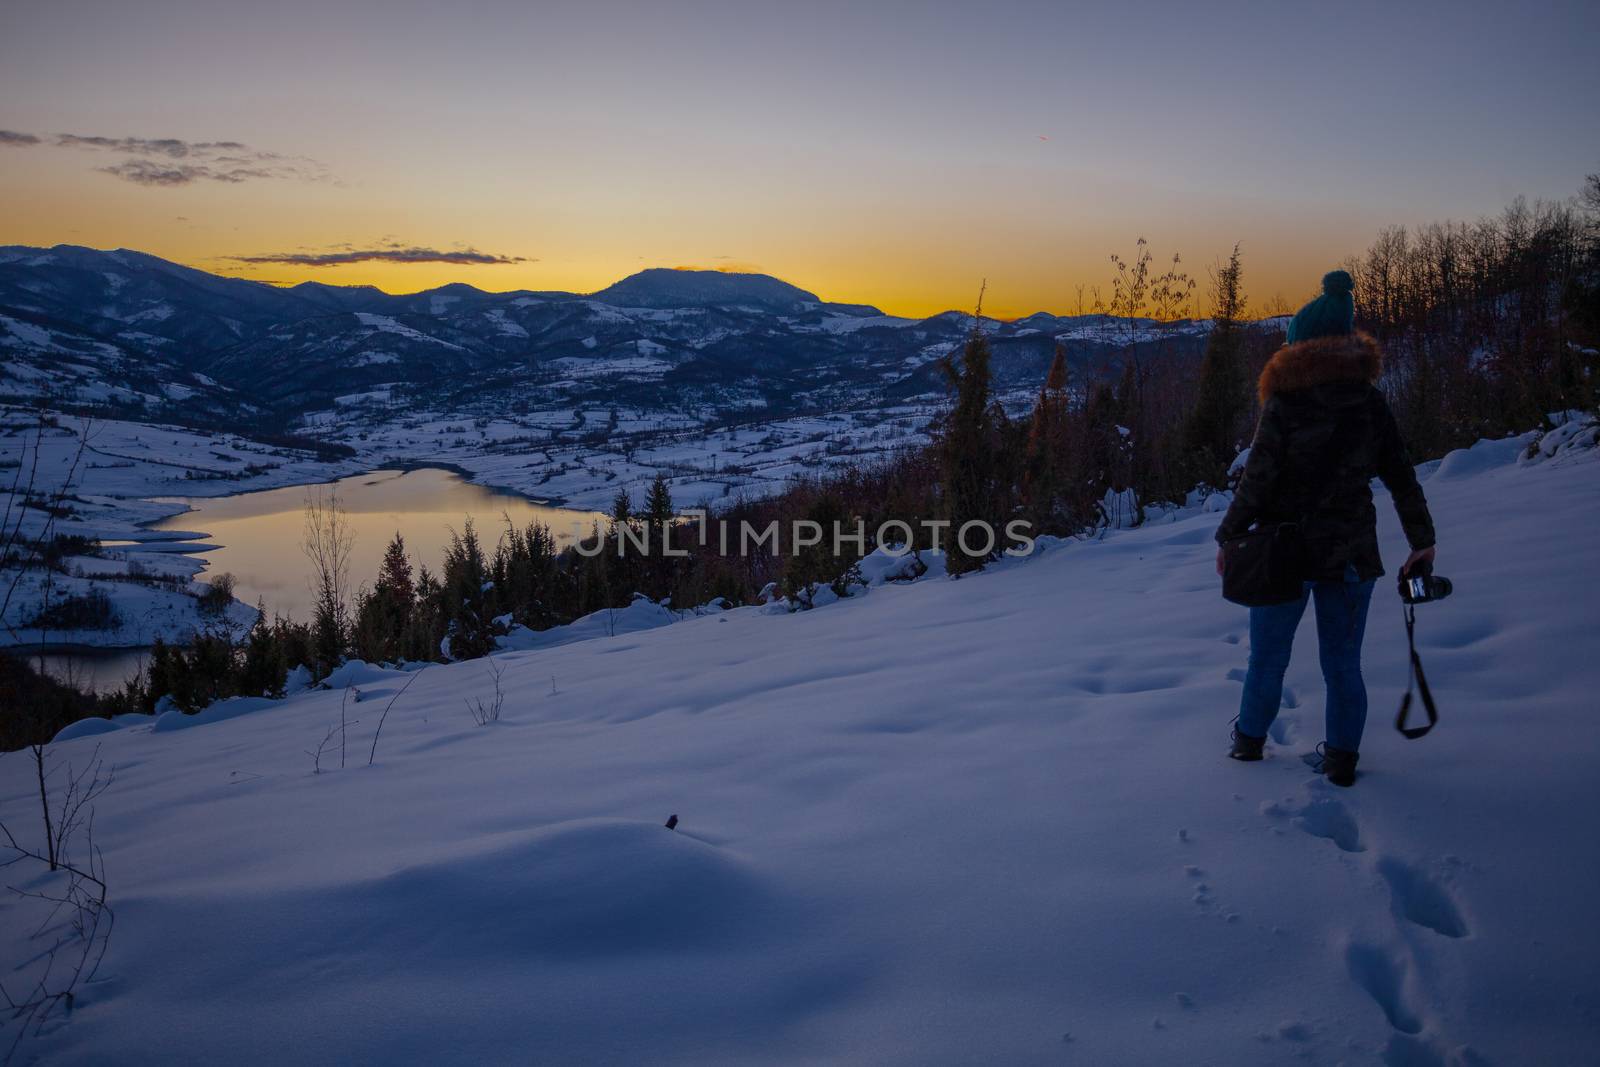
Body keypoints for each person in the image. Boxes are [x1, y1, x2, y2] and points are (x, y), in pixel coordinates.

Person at [1213, 270, 1436, 787]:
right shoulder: (1371, 403)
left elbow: (1257, 481)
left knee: (1267, 657)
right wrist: (1422, 541)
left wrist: (1228, 536)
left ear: (1299, 347)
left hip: (1281, 553)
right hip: (1352, 554)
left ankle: (1248, 743)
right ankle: (1341, 759)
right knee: (1343, 664)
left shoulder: (1285, 405)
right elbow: (1402, 478)